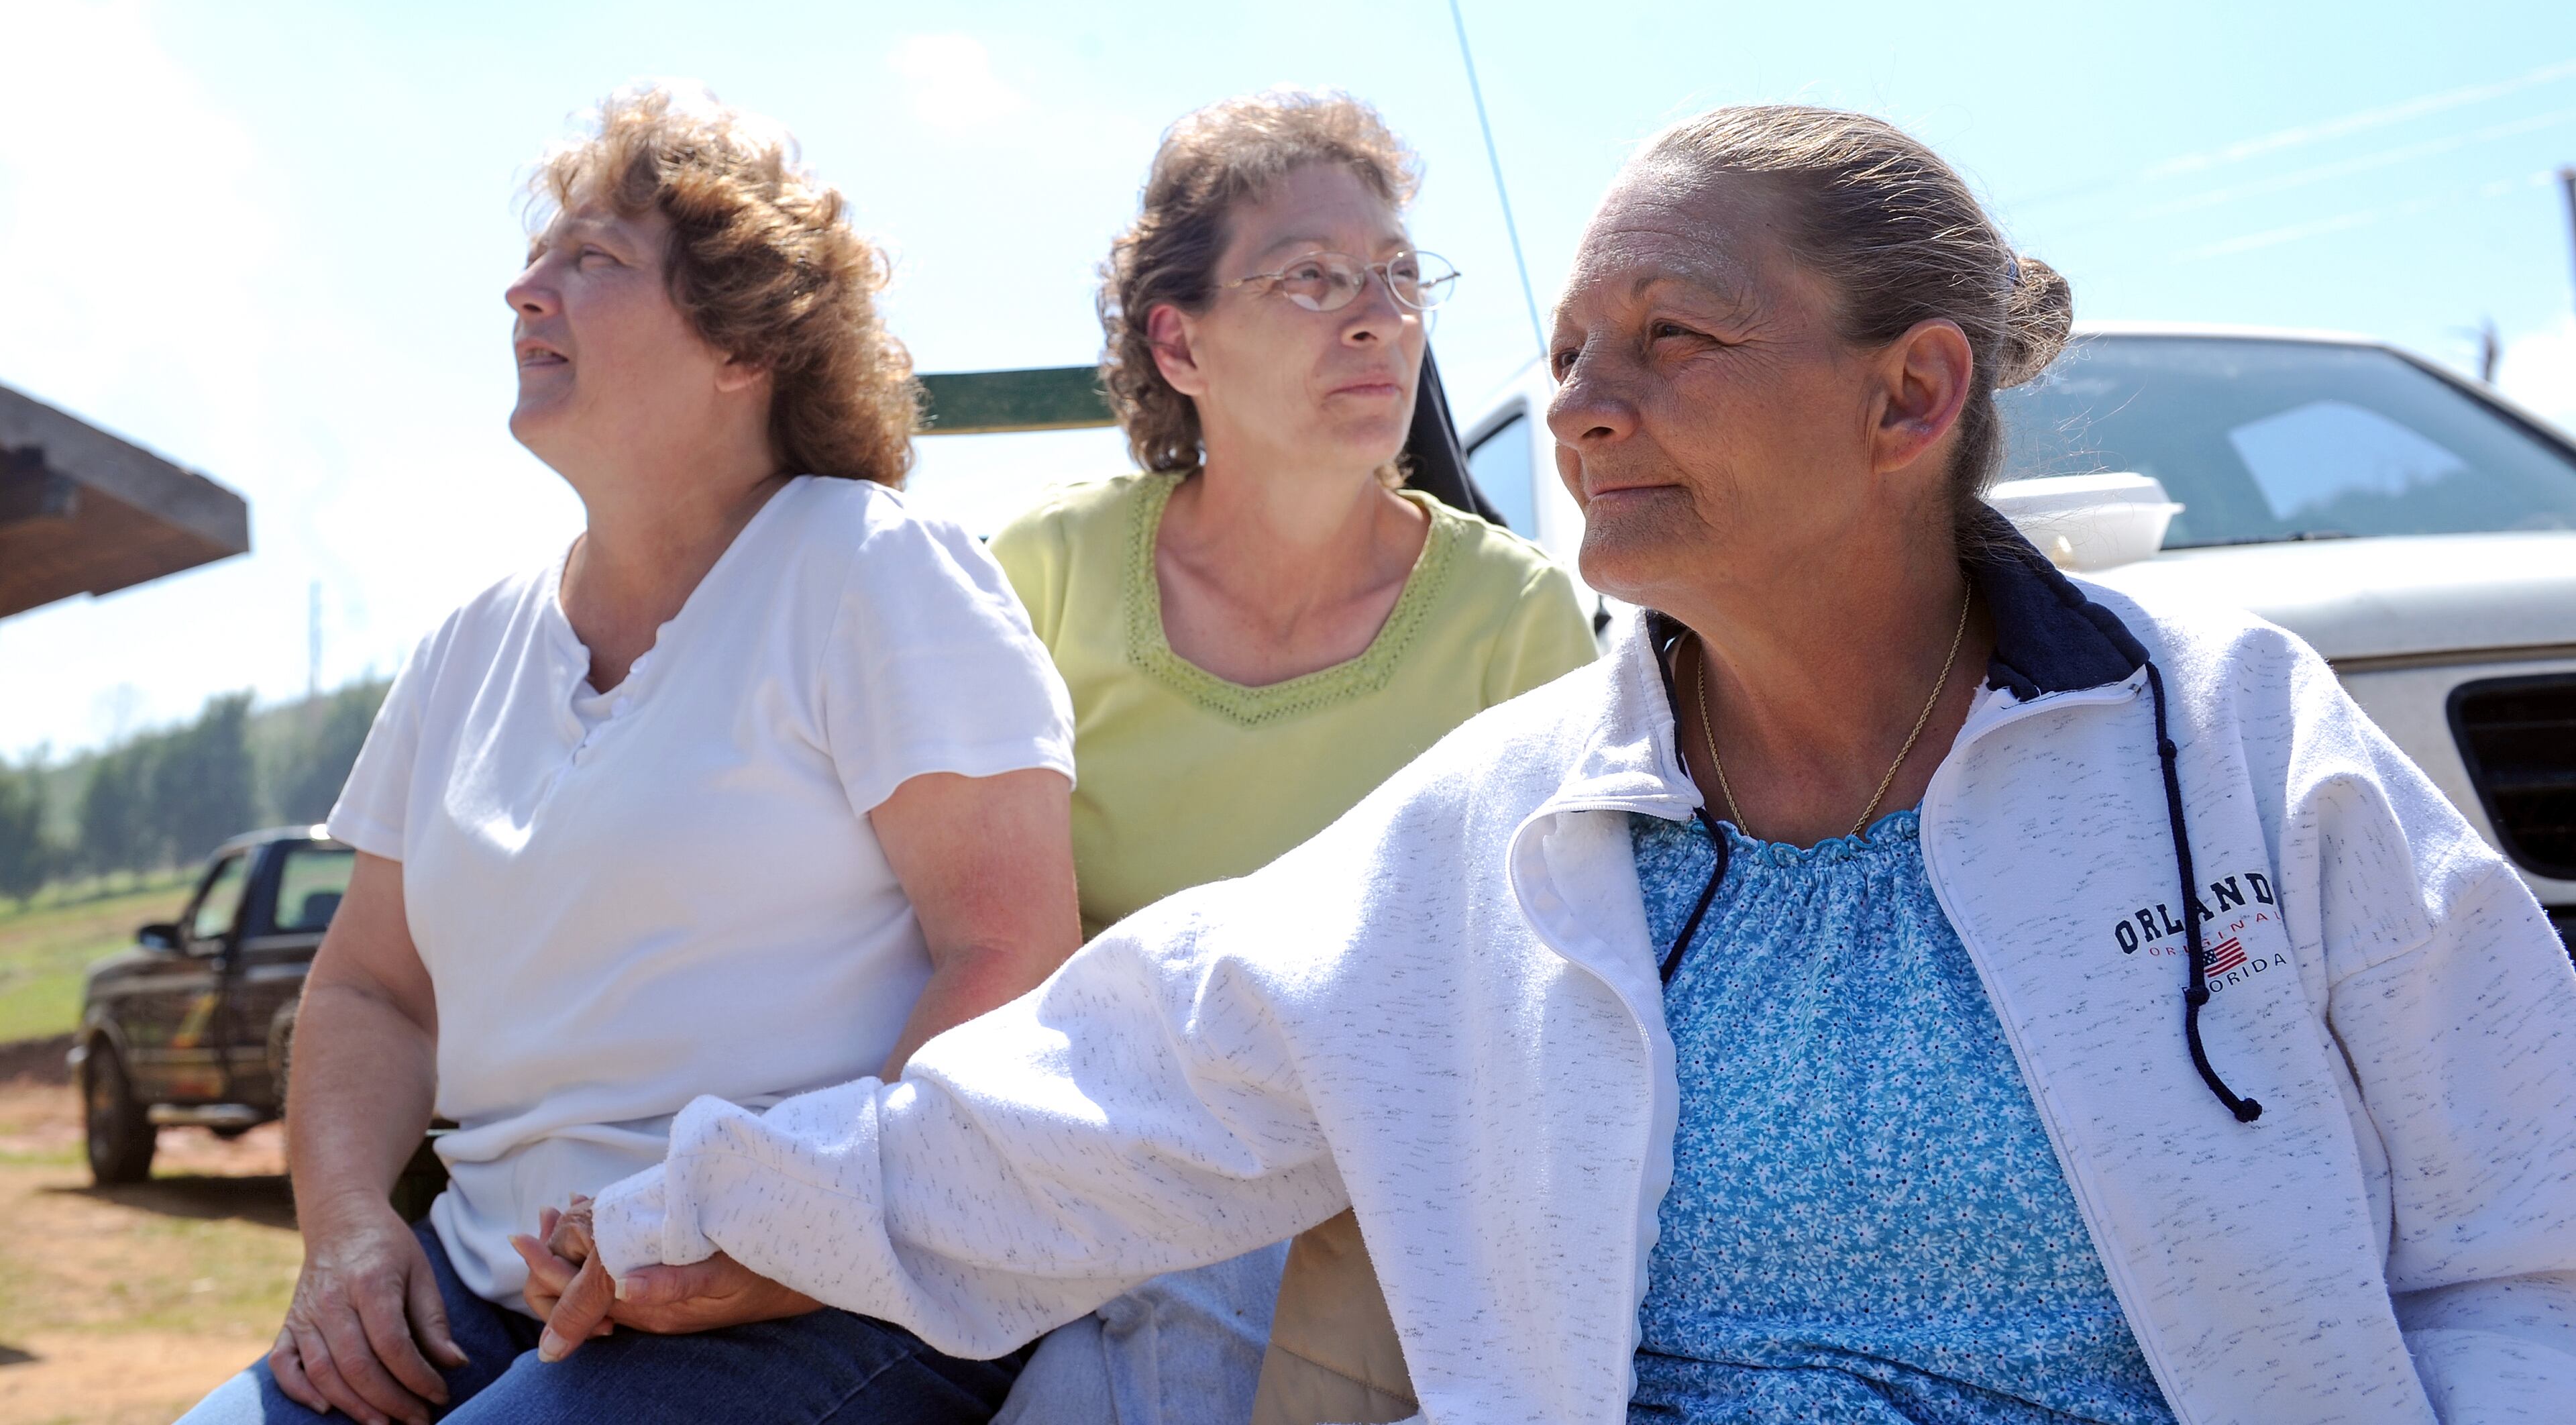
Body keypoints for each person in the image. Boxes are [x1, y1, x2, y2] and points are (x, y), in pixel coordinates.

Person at [543, 105, 2576, 1423]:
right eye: (1568, 351)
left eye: (1672, 340)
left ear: (1912, 394)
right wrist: (693, 1214)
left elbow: (2524, 1246)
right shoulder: (1510, 830)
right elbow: (1110, 1092)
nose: (1583, 409)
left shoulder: (2231, 741)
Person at [178, 83, 1081, 1425]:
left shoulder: (871, 571)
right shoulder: (467, 646)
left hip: (818, 1301)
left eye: (588, 260)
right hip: (481, 1294)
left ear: (741, 345)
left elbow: (1010, 959)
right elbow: (372, 990)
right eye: (542, 255)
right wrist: (351, 1230)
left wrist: (781, 1240)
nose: (522, 291)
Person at [983, 90, 1597, 1425]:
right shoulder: (1040, 576)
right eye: (1314, 277)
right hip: (1062, 1151)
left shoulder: (1517, 620)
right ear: (1178, 339)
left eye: (1394, 275)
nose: (1378, 316)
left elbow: (1546, 995)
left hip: (1354, 1181)